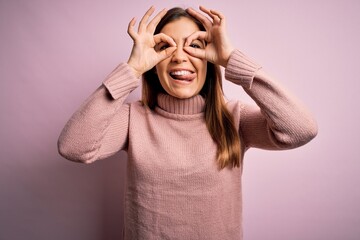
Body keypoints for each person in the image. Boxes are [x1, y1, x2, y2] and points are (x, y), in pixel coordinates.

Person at [58, 5, 317, 240]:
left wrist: (231, 60)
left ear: (209, 57)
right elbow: (74, 147)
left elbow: (302, 130)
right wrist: (132, 69)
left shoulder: (235, 118)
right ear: (154, 63)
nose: (180, 57)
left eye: (194, 45)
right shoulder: (132, 119)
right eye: (166, 47)